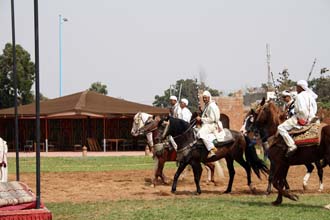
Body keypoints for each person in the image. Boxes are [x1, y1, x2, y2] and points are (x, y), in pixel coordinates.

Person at [278, 80, 318, 157]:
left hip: (301, 119)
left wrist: (298, 114)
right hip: (312, 117)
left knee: (280, 128)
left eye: (297, 87)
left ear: (300, 87)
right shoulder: (310, 96)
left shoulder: (299, 96)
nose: (296, 89)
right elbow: (315, 108)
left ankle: (292, 145)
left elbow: (301, 110)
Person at [196, 91, 221, 157]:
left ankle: (212, 149)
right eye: (203, 98)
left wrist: (201, 119)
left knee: (200, 133)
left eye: (206, 98)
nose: (204, 99)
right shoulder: (207, 105)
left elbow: (212, 119)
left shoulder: (211, 106)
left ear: (209, 97)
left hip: (211, 125)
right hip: (208, 124)